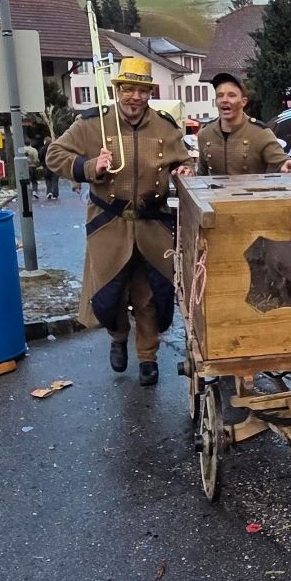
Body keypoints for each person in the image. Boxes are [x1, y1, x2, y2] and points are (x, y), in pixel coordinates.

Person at [45, 57, 193, 385]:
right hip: (108, 225)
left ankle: (148, 357)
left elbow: (183, 160)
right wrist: (89, 167)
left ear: (149, 93)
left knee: (148, 295)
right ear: (117, 90)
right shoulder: (92, 123)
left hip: (152, 226)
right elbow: (54, 155)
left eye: (142, 90)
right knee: (111, 294)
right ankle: (118, 336)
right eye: (128, 89)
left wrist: (183, 170)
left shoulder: (165, 127)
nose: (134, 97)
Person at [196, 72, 291, 175]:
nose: (224, 100)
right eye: (220, 95)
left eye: (231, 95)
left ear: (243, 102)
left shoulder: (259, 133)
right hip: (215, 186)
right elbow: (201, 174)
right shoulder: (205, 133)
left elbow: (280, 160)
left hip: (251, 186)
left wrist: (285, 163)